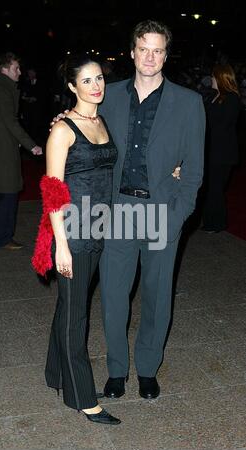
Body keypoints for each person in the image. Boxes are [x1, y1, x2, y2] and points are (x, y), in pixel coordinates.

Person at [54, 20, 205, 401]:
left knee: (157, 297)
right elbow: (80, 120)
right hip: (117, 210)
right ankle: (117, 370)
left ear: (165, 55)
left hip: (161, 212)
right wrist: (60, 121)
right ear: (133, 52)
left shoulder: (188, 102)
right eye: (144, 49)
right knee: (114, 298)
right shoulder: (111, 94)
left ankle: (148, 369)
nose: (150, 57)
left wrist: (177, 216)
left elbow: (196, 169)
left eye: (158, 50)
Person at [32, 54, 120, 425]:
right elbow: (52, 190)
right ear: (71, 87)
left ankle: (55, 374)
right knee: (76, 315)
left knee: (70, 305)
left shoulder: (100, 119)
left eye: (99, 78)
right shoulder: (63, 129)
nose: (96, 86)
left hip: (99, 227)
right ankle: (83, 398)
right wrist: (62, 245)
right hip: (73, 233)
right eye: (86, 81)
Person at [0, 52, 42, 249]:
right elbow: (10, 122)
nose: (19, 72)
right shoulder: (3, 90)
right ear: (5, 69)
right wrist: (31, 145)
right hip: (3, 152)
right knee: (7, 195)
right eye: (16, 68)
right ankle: (4, 238)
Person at [201, 64, 241, 233]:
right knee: (211, 188)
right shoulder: (214, 96)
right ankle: (210, 221)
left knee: (215, 189)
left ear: (221, 78)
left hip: (222, 153)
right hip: (212, 151)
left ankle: (216, 223)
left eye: (214, 76)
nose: (212, 79)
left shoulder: (232, 98)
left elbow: (221, 124)